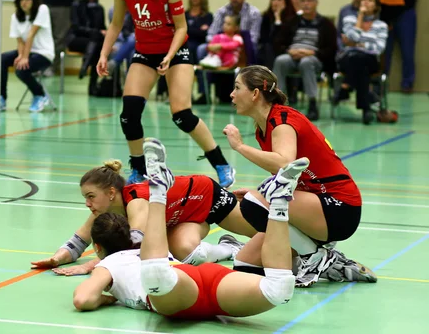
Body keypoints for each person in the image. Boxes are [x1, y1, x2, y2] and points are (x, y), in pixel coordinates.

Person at [73, 137, 300, 319]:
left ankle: (158, 190)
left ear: (98, 247)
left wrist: (108, 296)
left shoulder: (110, 263)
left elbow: (82, 299)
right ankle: (279, 201)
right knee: (278, 290)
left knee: (157, 277)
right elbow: (87, 235)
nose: (88, 203)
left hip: (179, 290)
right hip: (202, 279)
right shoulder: (124, 239)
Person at [95, 0, 236, 189]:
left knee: (181, 115)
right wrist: (104, 54)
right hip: (145, 53)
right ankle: (138, 169)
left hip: (176, 50)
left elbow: (182, 28)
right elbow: (116, 23)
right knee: (129, 113)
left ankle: (221, 163)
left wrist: (169, 57)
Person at [222, 65, 377, 287]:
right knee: (246, 265)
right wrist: (260, 194)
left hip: (338, 207)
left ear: (255, 94)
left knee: (253, 204)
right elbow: (288, 176)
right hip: (314, 205)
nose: (232, 94)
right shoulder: (262, 127)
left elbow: (285, 163)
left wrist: (239, 147)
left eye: (237, 88)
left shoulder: (282, 120)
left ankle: (316, 256)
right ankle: (334, 265)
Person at [30, 156, 256, 276]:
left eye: (91, 196)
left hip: (205, 196)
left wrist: (89, 266)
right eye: (85, 198)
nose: (87, 204)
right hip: (182, 217)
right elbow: (78, 241)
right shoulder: (105, 209)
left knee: (261, 232)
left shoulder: (136, 203)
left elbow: (135, 248)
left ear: (111, 193)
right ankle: (232, 248)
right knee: (186, 253)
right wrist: (56, 259)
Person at [0, 0, 55, 113]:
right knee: (2, 59)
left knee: (21, 70)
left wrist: (24, 58)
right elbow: (20, 41)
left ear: (34, 0)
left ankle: (40, 95)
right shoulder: (15, 17)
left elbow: (31, 35)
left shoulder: (42, 9)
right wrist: (20, 55)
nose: (24, 2)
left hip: (44, 54)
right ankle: (1, 98)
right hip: (27, 52)